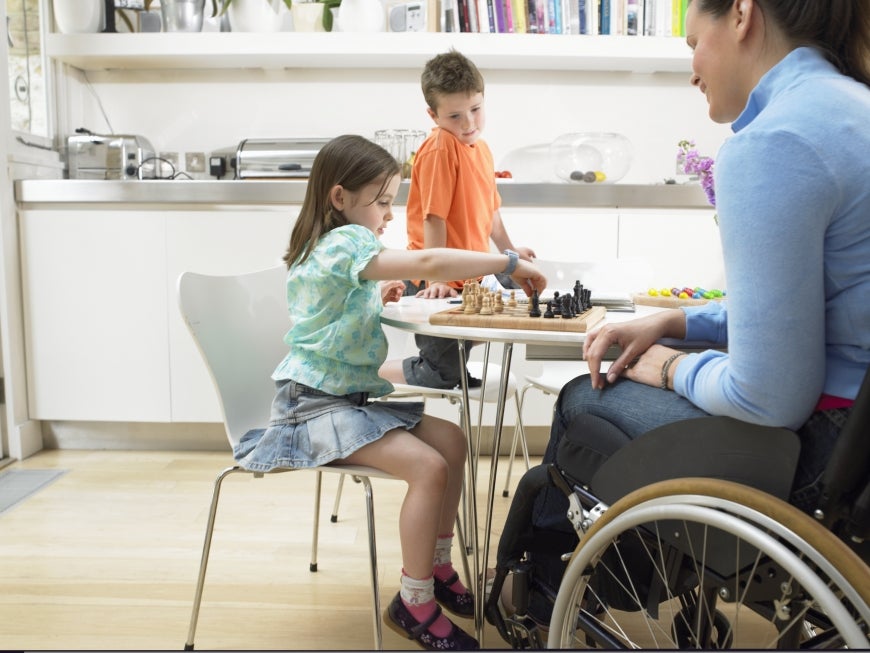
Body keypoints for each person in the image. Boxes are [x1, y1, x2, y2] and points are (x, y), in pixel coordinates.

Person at [541, 0, 870, 526]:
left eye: (693, 44)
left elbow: (767, 398)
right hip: (858, 436)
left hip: (836, 459)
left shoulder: (775, 141)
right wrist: (683, 321)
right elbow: (820, 309)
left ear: (741, 14)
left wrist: (670, 367)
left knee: (585, 396)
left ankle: (542, 594)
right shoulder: (854, 105)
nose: (693, 71)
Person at [232, 134, 546, 651]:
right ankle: (415, 600)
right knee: (430, 467)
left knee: (451, 440)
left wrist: (373, 293)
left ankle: (438, 565)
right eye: (381, 202)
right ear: (340, 199)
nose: (388, 214)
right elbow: (426, 265)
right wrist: (505, 263)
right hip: (312, 407)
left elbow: (327, 310)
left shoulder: (329, 246)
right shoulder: (346, 241)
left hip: (340, 398)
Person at [379, 49, 537, 391]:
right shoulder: (440, 147)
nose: (468, 124)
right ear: (433, 115)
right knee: (444, 376)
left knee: (526, 287)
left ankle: (458, 342)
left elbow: (491, 214)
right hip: (436, 279)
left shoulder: (481, 150)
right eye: (454, 116)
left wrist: (511, 251)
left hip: (472, 276)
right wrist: (435, 276)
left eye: (476, 110)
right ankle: (369, 375)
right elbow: (433, 218)